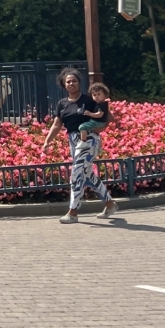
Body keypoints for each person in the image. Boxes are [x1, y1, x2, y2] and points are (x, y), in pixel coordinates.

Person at [42, 68, 118, 223]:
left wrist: (100, 129)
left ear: (79, 83)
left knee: (76, 175)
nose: (71, 83)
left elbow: (107, 115)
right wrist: (47, 141)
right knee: (88, 175)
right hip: (73, 141)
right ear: (64, 84)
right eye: (68, 81)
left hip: (87, 140)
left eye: (74, 81)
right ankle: (110, 204)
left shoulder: (88, 100)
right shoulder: (62, 104)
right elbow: (57, 125)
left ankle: (73, 212)